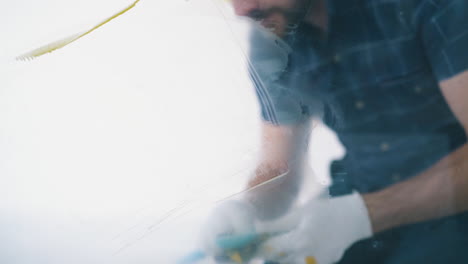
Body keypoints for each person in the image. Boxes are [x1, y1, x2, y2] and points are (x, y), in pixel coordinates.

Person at [200, 0, 468, 263]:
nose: (242, 9)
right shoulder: (271, 42)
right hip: (360, 197)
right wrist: (246, 209)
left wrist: (364, 215)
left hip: (453, 205)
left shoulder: (433, 7)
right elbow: (279, 167)